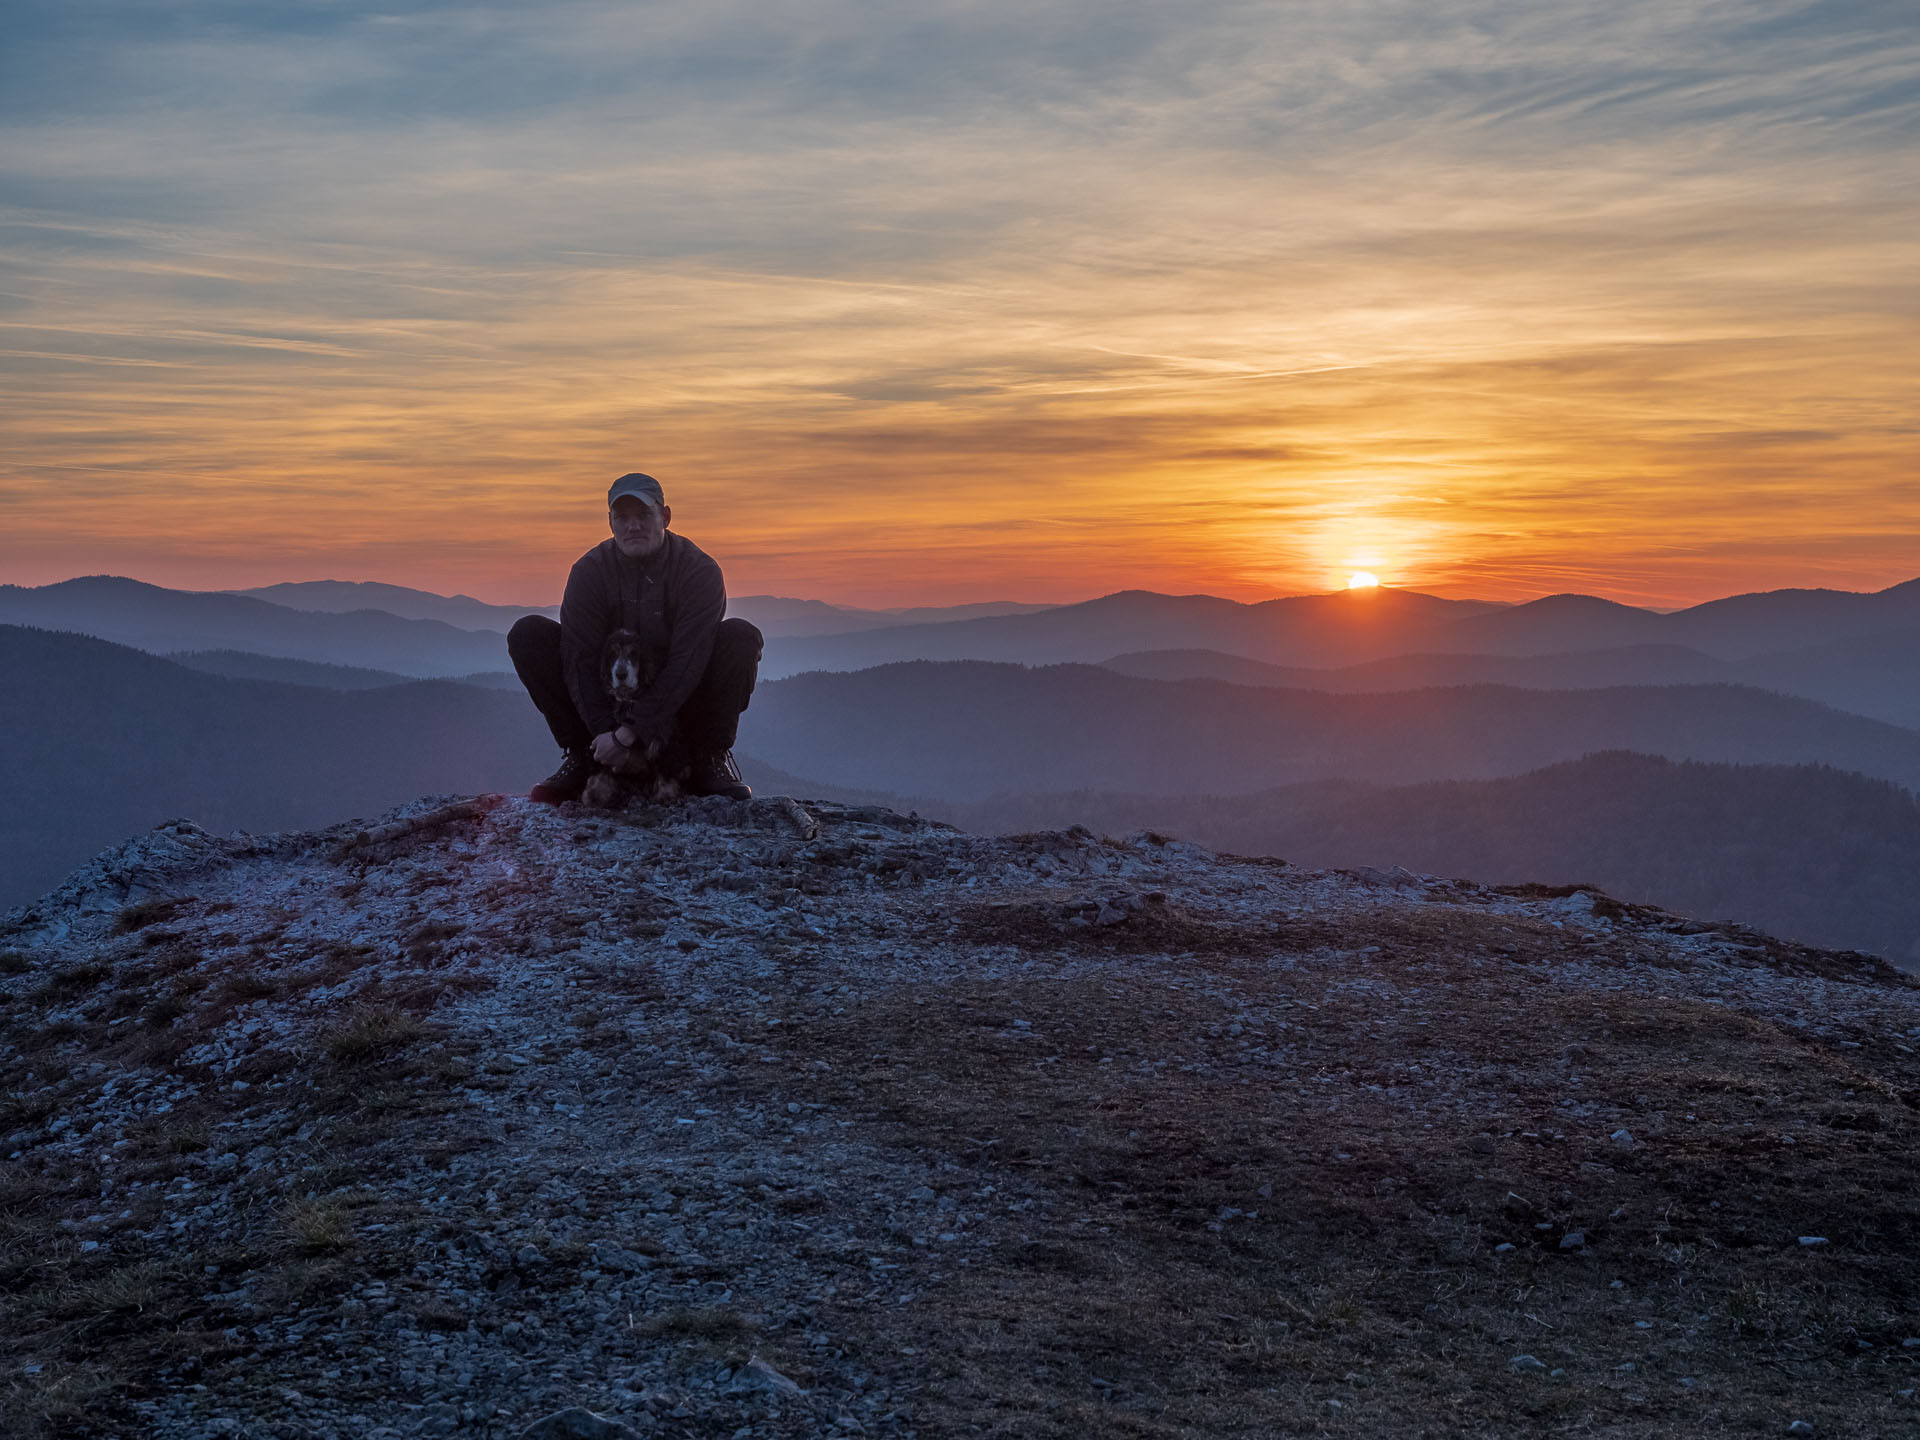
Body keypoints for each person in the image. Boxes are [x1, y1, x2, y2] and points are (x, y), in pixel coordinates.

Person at [508, 472, 761, 804]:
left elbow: (688, 663)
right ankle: (585, 758)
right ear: (610, 522)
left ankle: (706, 760)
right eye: (622, 517)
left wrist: (630, 734)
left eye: (644, 515)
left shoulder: (698, 571)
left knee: (741, 638)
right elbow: (578, 660)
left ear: (665, 517)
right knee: (529, 635)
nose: (633, 526)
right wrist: (604, 736)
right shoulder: (590, 572)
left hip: (681, 707)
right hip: (605, 708)